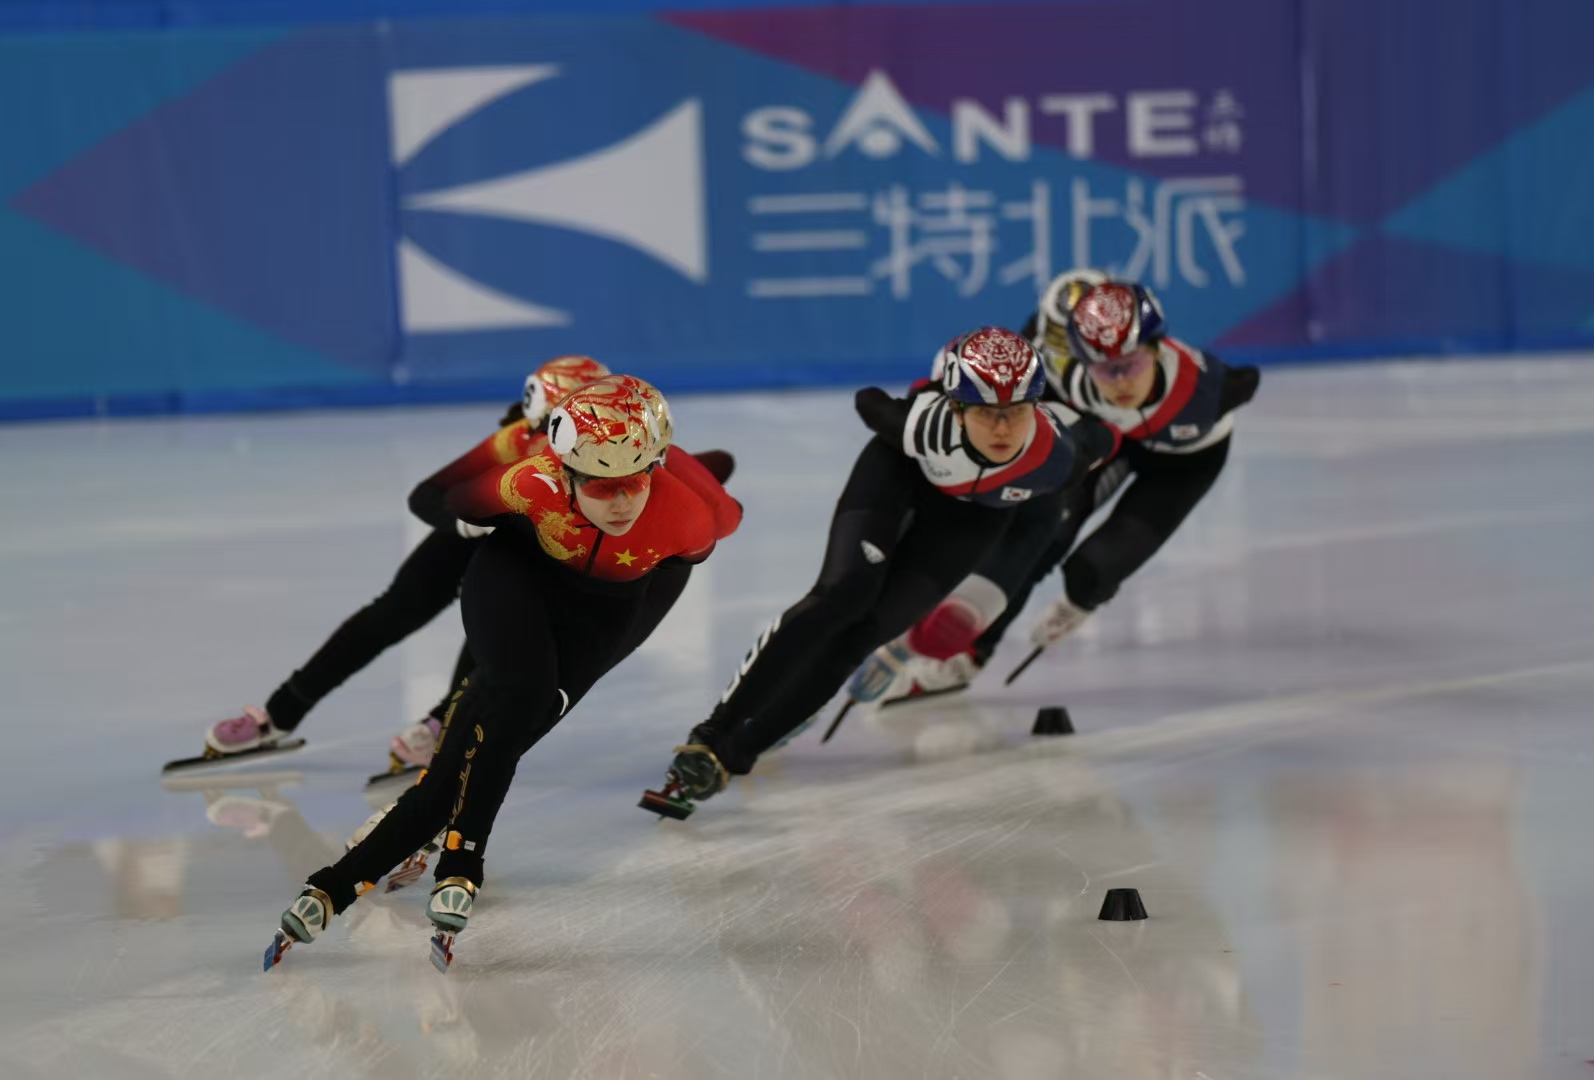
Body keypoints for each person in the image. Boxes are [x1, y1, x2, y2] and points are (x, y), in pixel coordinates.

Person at [269, 375, 741, 969]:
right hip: (515, 575)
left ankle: (338, 884)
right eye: (598, 484)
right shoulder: (524, 475)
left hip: (612, 605)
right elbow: (445, 501)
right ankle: (460, 861)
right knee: (517, 693)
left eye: (634, 480)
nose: (619, 501)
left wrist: (691, 470)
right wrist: (475, 534)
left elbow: (719, 508)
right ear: (564, 467)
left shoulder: (692, 521)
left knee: (516, 723)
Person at [639, 327, 1117, 819]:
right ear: (956, 408)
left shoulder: (1056, 458)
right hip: (898, 474)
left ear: (1036, 409)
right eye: (986, 413)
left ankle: (729, 759)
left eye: (1015, 412)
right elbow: (869, 402)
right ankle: (713, 733)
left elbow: (1104, 437)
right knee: (842, 596)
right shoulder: (922, 425)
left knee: (862, 636)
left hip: (972, 518)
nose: (1002, 428)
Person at [185, 357, 612, 773]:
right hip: (482, 529)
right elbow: (426, 495)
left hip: (530, 549)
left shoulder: (608, 464)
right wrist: (463, 526)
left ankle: (445, 724)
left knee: (500, 628)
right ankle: (281, 713)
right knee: (393, 611)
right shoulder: (516, 439)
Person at [878, 274, 1261, 698]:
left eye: (1129, 364)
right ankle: (971, 651)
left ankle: (1081, 591)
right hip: (1107, 439)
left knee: (1094, 572)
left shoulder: (1208, 390)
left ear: (1156, 348)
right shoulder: (1064, 379)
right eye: (1100, 367)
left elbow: (1249, 380)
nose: (1118, 382)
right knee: (1045, 531)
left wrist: (1084, 601)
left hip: (1184, 462)